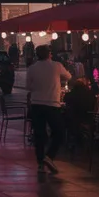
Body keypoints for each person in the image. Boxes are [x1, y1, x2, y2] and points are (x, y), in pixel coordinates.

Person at [24, 44, 71, 174]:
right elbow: (68, 76)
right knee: (59, 131)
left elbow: (28, 86)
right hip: (52, 103)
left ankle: (40, 163)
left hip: (36, 104)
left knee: (39, 134)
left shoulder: (32, 68)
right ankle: (49, 156)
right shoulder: (56, 66)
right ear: (49, 54)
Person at [63, 75, 97, 151]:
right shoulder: (90, 94)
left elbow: (65, 102)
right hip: (87, 119)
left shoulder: (69, 95)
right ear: (85, 85)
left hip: (72, 120)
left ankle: (68, 142)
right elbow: (94, 104)